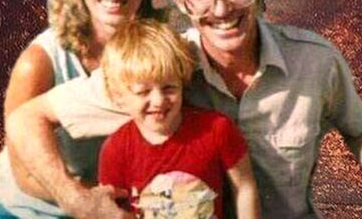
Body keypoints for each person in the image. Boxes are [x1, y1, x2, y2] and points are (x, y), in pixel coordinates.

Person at [6, 0, 362, 219]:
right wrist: (75, 199)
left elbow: (360, 128)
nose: (220, 9)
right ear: (181, 1)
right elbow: (26, 119)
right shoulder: (163, 71)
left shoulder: (317, 62)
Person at [0, 0, 164, 219]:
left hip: (108, 205)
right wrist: (88, 200)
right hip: (26, 210)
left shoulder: (158, 53)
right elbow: (24, 172)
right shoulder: (39, 62)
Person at [98, 19, 260, 219]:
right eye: (143, 92)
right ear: (117, 96)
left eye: (169, 88)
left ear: (183, 82)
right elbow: (110, 210)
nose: (158, 101)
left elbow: (244, 188)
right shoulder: (116, 150)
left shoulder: (216, 129)